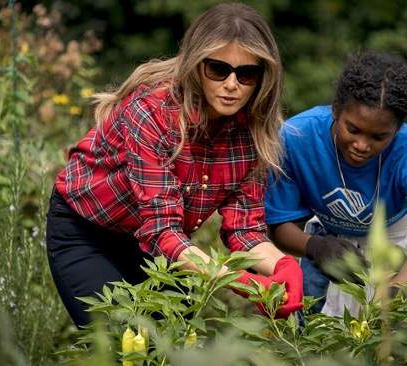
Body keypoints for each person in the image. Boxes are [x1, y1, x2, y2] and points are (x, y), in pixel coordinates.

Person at [46, 2, 303, 327]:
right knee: (117, 340)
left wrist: (284, 266)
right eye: (218, 69)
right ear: (196, 65)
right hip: (89, 231)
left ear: (263, 77)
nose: (231, 84)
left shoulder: (252, 130)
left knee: (173, 345)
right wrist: (243, 283)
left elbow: (243, 227)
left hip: (160, 244)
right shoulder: (152, 112)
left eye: (246, 73)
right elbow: (161, 229)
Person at [265, 51, 407, 316]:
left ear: (397, 129)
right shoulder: (298, 137)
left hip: (400, 238)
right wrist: (315, 246)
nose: (362, 145)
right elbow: (280, 228)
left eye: (378, 137)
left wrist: (391, 298)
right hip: (332, 241)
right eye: (352, 129)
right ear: (336, 110)